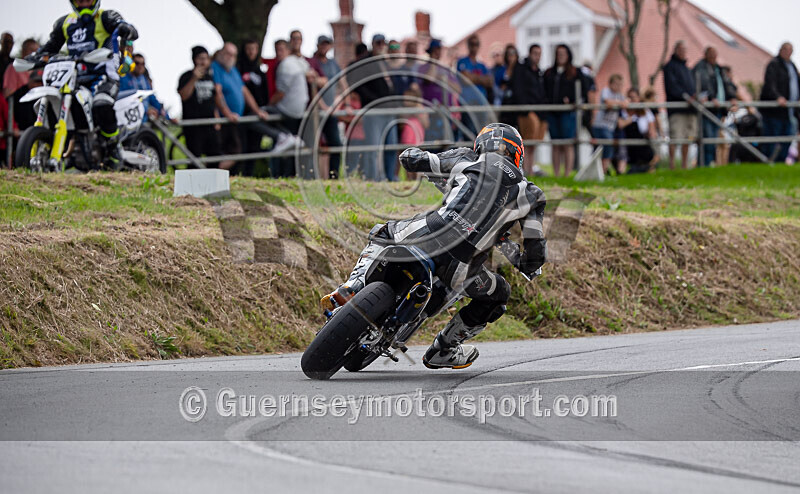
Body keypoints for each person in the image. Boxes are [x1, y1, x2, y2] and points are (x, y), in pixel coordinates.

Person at [320, 123, 546, 369]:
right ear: (518, 154)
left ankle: (352, 285)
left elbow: (411, 159)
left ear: (480, 145)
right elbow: (535, 252)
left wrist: (416, 157)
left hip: (426, 232)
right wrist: (522, 260)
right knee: (499, 294)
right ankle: (444, 348)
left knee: (383, 232)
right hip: (462, 265)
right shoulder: (532, 194)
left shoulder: (466, 157)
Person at [34, 0, 138, 167]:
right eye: (79, 0)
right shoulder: (65, 22)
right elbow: (50, 47)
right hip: (75, 76)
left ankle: (113, 146)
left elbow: (126, 27)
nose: (83, 4)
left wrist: (126, 29)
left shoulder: (106, 16)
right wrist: (36, 56)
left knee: (101, 103)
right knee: (61, 104)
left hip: (104, 75)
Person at [213, 42, 295, 172]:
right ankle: (212, 174)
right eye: (228, 53)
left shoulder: (233, 70)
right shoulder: (216, 68)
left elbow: (245, 92)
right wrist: (227, 113)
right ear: (221, 53)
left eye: (233, 55)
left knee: (238, 152)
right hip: (225, 120)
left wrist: (258, 111)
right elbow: (217, 92)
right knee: (229, 153)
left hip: (236, 119)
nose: (230, 57)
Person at [693, 46, 737, 166]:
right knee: (707, 139)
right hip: (708, 110)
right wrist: (712, 98)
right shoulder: (700, 68)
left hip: (719, 109)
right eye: (711, 54)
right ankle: (704, 164)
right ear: (706, 55)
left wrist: (732, 97)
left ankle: (710, 163)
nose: (713, 57)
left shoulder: (719, 69)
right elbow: (703, 85)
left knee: (715, 139)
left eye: (715, 54)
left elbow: (728, 84)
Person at [178, 45, 222, 163]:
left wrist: (217, 118)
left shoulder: (210, 77)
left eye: (206, 58)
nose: (203, 62)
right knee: (194, 159)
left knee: (214, 157)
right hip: (193, 125)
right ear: (194, 60)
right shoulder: (186, 76)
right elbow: (184, 95)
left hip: (210, 124)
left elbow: (214, 99)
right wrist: (194, 79)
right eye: (200, 58)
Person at [543, 44, 580, 177]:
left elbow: (581, 91)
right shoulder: (549, 73)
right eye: (559, 53)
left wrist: (570, 100)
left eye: (563, 53)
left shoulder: (575, 72)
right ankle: (557, 173)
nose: (561, 56)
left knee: (567, 143)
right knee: (556, 143)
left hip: (567, 113)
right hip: (552, 113)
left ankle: (567, 173)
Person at [760, 42, 800, 162]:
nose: (788, 53)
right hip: (775, 110)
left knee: (787, 137)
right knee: (772, 138)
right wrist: (777, 97)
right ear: (781, 50)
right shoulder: (774, 64)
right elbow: (769, 84)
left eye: (790, 50)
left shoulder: (792, 66)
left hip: (790, 111)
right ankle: (768, 161)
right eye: (786, 50)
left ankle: (781, 161)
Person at [312, 34, 344, 179]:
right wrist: (324, 107)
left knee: (336, 145)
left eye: (327, 44)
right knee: (314, 146)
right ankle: (313, 177)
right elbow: (312, 89)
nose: (324, 47)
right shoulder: (312, 63)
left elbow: (342, 84)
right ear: (317, 45)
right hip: (315, 113)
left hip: (332, 112)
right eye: (322, 44)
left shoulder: (333, 64)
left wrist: (339, 104)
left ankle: (334, 176)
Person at [663, 41, 697, 169]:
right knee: (675, 137)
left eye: (685, 49)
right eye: (681, 49)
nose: (683, 52)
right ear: (675, 50)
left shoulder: (687, 69)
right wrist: (684, 96)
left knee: (688, 138)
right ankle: (672, 165)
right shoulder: (669, 67)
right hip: (677, 109)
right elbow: (672, 87)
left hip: (689, 110)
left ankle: (684, 165)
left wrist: (694, 96)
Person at [518, 44, 547, 176]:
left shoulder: (539, 72)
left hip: (539, 111)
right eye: (535, 53)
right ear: (529, 54)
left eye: (539, 54)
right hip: (527, 111)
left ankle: (530, 169)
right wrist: (526, 109)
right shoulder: (522, 70)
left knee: (534, 144)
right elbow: (521, 91)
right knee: (527, 143)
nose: (537, 56)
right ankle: (525, 169)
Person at [456, 35, 492, 137]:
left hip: (481, 103)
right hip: (468, 103)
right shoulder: (462, 61)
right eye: (472, 44)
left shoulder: (482, 64)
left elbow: (490, 81)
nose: (474, 47)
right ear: (468, 45)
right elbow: (465, 78)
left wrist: (473, 77)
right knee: (469, 135)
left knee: (481, 135)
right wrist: (481, 79)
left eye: (476, 44)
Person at [591, 74, 627, 174]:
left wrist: (620, 102)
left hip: (610, 127)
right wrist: (620, 103)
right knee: (605, 146)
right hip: (600, 125)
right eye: (616, 84)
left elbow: (626, 103)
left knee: (607, 148)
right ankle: (600, 170)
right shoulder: (606, 91)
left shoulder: (619, 95)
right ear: (610, 84)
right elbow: (608, 103)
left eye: (620, 84)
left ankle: (603, 171)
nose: (618, 87)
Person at [618, 88, 657, 173]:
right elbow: (620, 125)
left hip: (642, 142)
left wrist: (650, 134)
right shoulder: (622, 111)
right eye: (630, 97)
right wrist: (632, 118)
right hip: (627, 142)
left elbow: (652, 129)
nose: (632, 100)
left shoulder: (644, 111)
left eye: (634, 97)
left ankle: (644, 167)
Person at [119, 53, 167, 121]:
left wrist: (167, 115)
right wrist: (146, 110)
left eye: (143, 64)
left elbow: (152, 99)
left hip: (143, 121)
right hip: (128, 120)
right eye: (137, 63)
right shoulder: (123, 78)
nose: (140, 66)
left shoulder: (144, 80)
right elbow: (124, 101)